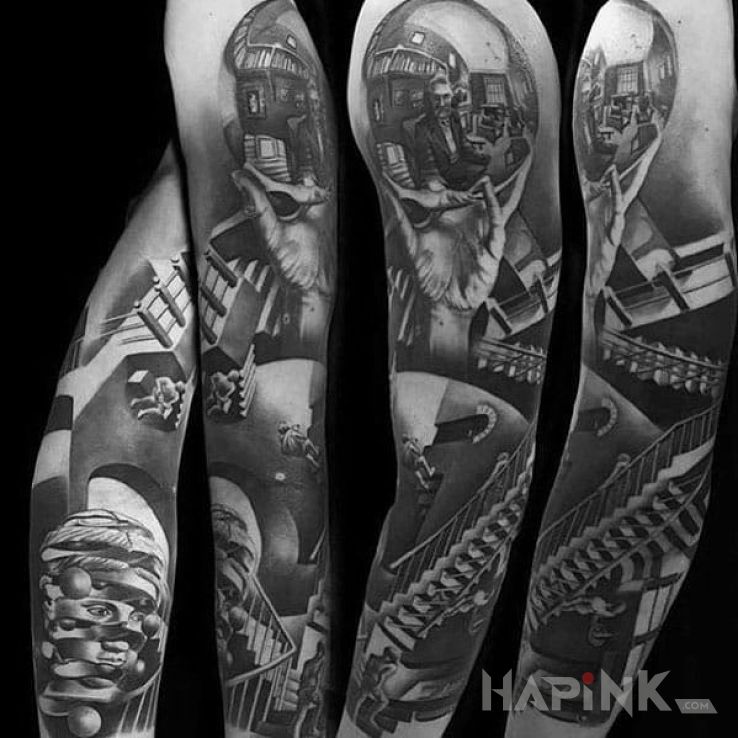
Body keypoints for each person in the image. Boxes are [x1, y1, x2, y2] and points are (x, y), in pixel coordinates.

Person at [414, 73, 491, 190]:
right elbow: (428, 165)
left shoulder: (454, 116)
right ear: (429, 99)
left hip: (460, 165)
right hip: (443, 176)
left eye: (446, 97)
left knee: (488, 172)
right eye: (436, 98)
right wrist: (436, 183)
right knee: (484, 180)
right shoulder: (422, 126)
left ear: (451, 97)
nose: (442, 104)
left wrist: (483, 158)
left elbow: (464, 144)